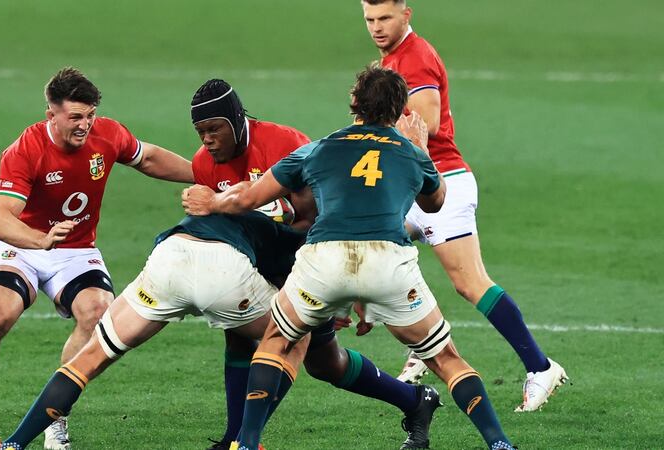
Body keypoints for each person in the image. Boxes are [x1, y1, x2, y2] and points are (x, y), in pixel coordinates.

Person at [183, 66, 516, 450]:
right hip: (389, 263)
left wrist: (213, 200)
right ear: (399, 111)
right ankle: (499, 443)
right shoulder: (409, 152)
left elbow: (247, 198)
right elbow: (436, 201)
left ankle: (247, 443)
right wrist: (420, 149)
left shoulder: (318, 147)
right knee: (445, 358)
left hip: (324, 260)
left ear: (354, 104)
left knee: (276, 342)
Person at [0, 211, 437, 450]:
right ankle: (246, 442)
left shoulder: (244, 209)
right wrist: (357, 301)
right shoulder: (299, 240)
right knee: (293, 339)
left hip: (167, 258)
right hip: (224, 272)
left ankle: (14, 444)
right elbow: (324, 279)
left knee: (91, 357)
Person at [0, 67, 193, 450]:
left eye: (90, 114)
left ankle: (55, 415)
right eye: (76, 117)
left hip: (77, 250)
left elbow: (147, 158)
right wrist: (40, 239)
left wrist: (202, 175)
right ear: (51, 114)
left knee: (98, 311)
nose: (85, 125)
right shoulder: (26, 150)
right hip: (25, 245)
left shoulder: (108, 134)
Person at [360, 0, 567, 411]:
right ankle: (424, 346)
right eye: (369, 19)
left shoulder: (415, 58)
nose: (377, 27)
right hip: (412, 184)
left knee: (470, 281)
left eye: (385, 18)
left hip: (442, 182)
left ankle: (540, 367)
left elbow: (427, 124)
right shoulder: (392, 58)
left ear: (407, 13)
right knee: (375, 254)